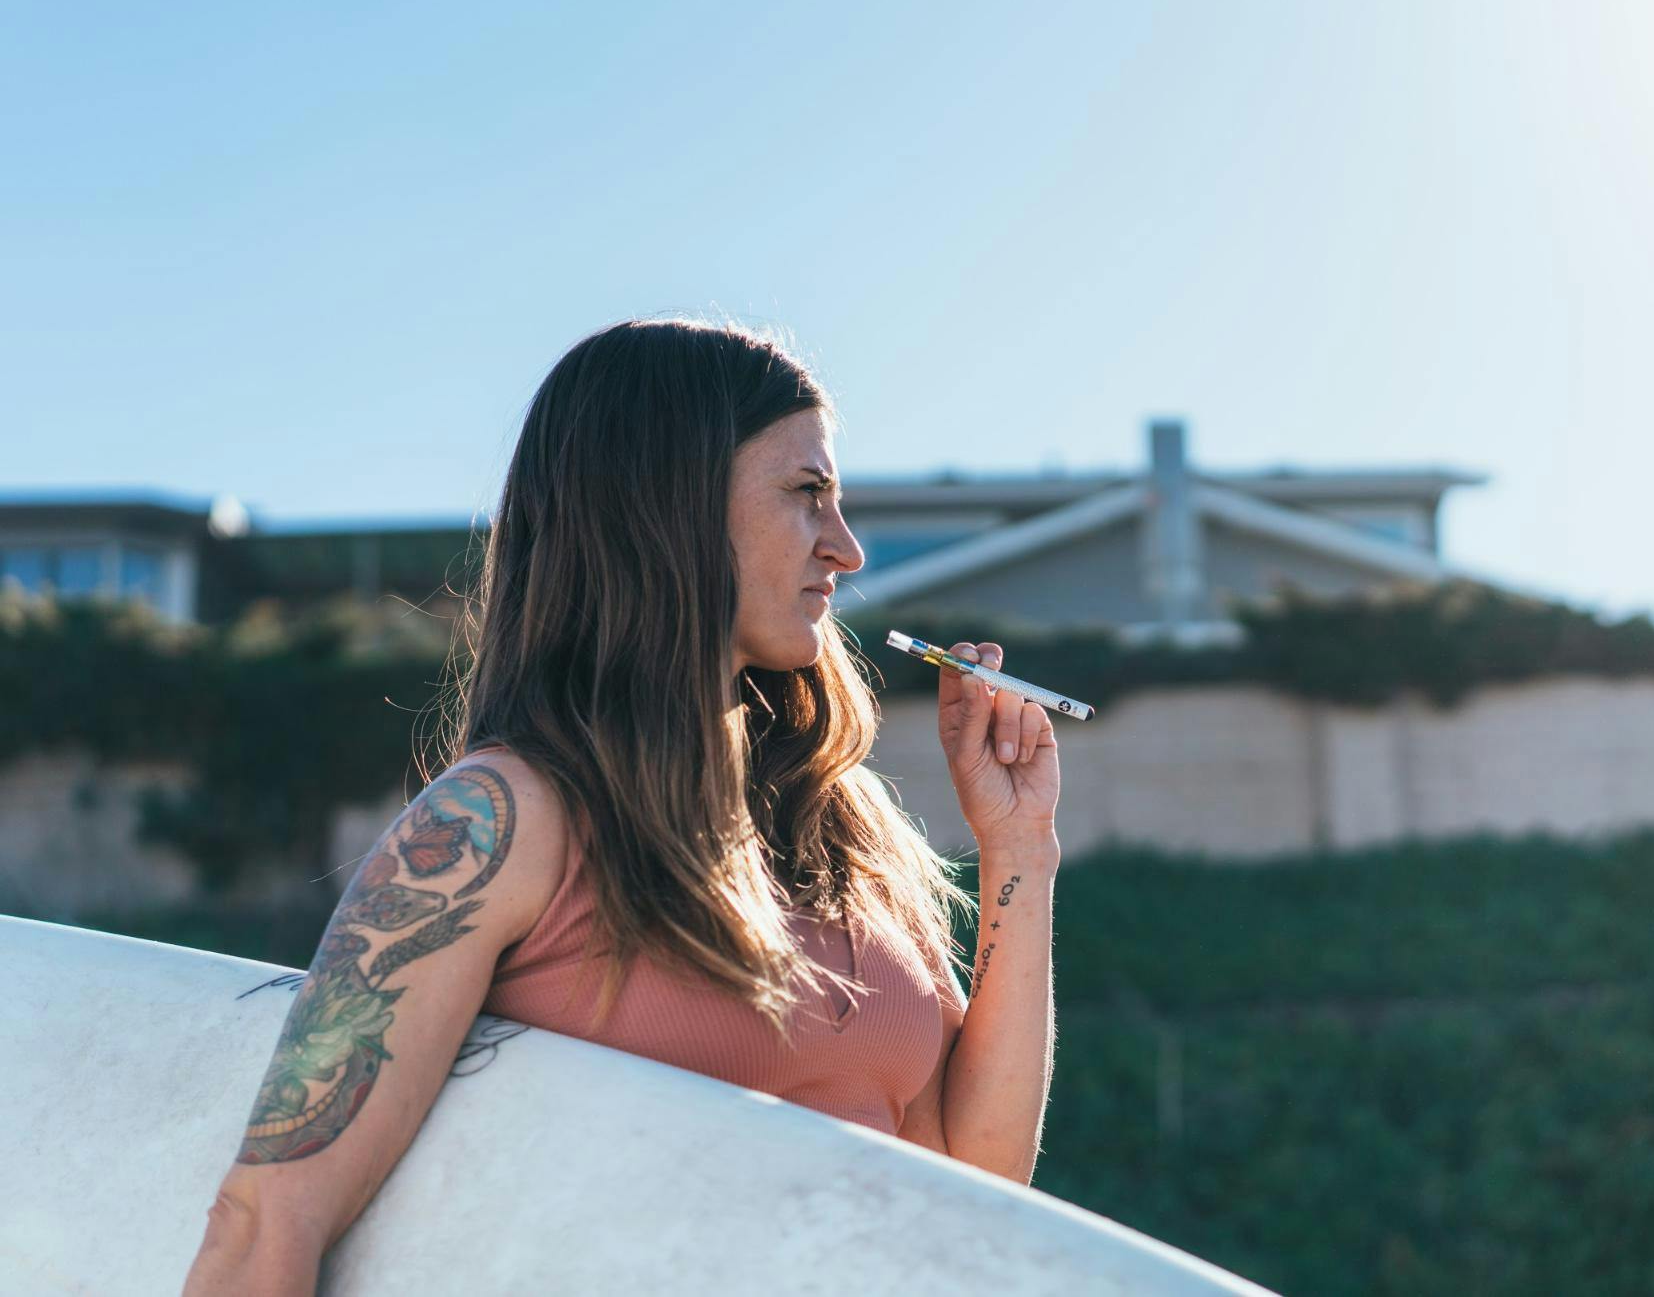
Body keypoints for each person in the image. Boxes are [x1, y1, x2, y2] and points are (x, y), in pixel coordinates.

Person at [183, 317, 1063, 1294]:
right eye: (807, 495)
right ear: (665, 508)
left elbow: (972, 1179)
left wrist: (1019, 844)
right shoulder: (494, 822)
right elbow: (266, 1225)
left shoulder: (837, 823)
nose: (846, 549)